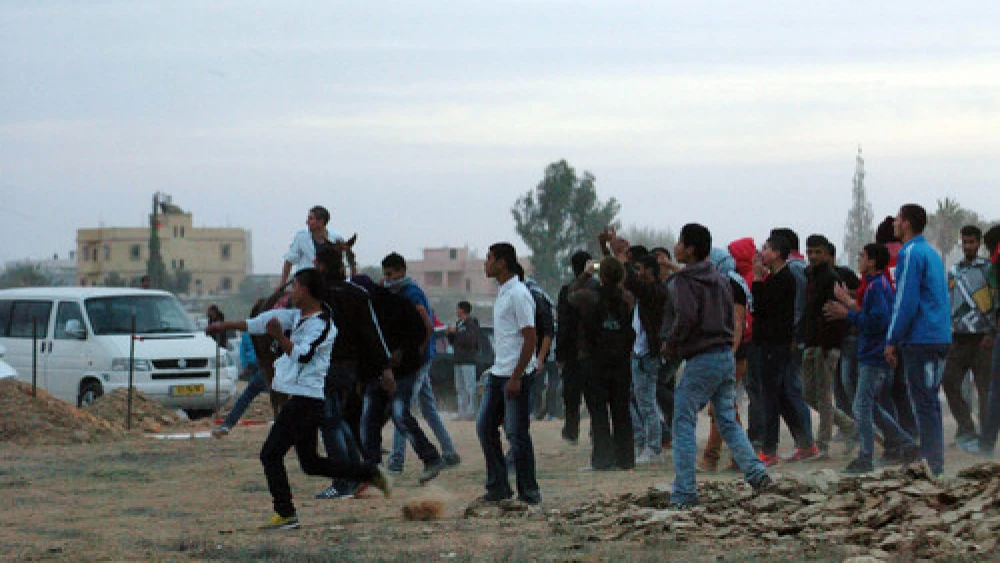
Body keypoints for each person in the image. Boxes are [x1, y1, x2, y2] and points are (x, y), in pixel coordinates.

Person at [206, 268, 390, 530]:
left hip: (307, 401)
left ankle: (286, 513)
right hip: (302, 400)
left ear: (307, 290)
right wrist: (223, 325)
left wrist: (280, 337)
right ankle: (369, 473)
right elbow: (260, 322)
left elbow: (302, 355)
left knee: (270, 455)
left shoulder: (323, 324)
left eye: (295, 286)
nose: (291, 291)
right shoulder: (297, 317)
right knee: (311, 464)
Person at [660, 223, 773, 509]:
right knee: (726, 418)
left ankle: (685, 491)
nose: (676, 246)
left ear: (690, 249)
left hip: (702, 356)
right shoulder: (722, 279)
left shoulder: (685, 282)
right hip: (725, 355)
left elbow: (685, 318)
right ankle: (756, 472)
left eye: (680, 242)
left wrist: (671, 344)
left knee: (683, 419)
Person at [825, 243, 918, 473]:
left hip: (874, 353)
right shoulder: (877, 284)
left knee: (861, 406)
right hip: (873, 351)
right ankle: (906, 443)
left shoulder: (877, 286)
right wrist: (848, 303)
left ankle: (866, 457)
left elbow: (877, 321)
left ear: (873, 261)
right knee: (869, 405)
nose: (859, 259)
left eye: (863, 256)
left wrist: (847, 314)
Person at [314, 245, 395, 500]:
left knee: (329, 421)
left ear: (321, 266)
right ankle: (363, 472)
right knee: (338, 419)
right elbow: (373, 334)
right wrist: (385, 369)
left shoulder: (319, 295)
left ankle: (343, 481)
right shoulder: (357, 294)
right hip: (350, 369)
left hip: (327, 366)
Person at [350, 274, 447, 485]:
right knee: (369, 420)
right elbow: (364, 348)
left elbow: (422, 330)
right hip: (377, 373)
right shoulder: (360, 313)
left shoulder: (397, 304)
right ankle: (374, 471)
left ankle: (431, 458)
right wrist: (361, 378)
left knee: (399, 414)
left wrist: (405, 354)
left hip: (403, 372)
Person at [885, 204, 952, 477]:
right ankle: (934, 461)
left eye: (898, 218)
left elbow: (905, 300)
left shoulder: (910, 253)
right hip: (939, 336)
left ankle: (931, 464)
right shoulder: (932, 253)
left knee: (923, 401)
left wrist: (892, 338)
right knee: (930, 400)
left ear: (908, 223)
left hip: (921, 338)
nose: (895, 223)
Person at [382, 252, 460, 473]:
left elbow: (426, 328)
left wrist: (416, 355)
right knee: (429, 409)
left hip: (417, 362)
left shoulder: (411, 294)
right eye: (385, 275)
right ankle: (449, 452)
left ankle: (396, 462)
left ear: (401, 272)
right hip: (420, 359)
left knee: (401, 410)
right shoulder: (400, 292)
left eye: (390, 274)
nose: (387, 279)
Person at [475, 242, 540, 505]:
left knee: (516, 434)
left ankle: (529, 492)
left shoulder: (518, 294)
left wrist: (516, 376)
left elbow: (530, 338)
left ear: (502, 263)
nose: (485, 263)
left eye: (489, 258)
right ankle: (498, 487)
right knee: (485, 427)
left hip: (516, 374)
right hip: (499, 372)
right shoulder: (503, 292)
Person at [752, 235, 818, 466]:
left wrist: (758, 280)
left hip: (775, 344)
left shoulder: (783, 279)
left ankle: (769, 450)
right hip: (772, 343)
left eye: (766, 248)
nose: (762, 252)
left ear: (778, 253)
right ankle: (805, 443)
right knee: (779, 395)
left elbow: (762, 309)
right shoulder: (776, 278)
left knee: (771, 397)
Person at [569, 256, 636, 471]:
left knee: (598, 412)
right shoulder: (626, 298)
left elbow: (570, 296)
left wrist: (586, 274)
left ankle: (602, 459)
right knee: (621, 411)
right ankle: (625, 458)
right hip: (621, 360)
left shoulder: (589, 296)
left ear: (601, 274)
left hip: (594, 359)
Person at [800, 234, 855, 458]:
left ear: (826, 253)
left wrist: (829, 344)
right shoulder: (810, 276)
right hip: (811, 342)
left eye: (817, 252)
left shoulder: (831, 278)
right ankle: (848, 424)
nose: (812, 256)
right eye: (809, 252)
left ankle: (822, 446)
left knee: (824, 396)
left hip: (826, 346)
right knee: (808, 395)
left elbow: (836, 315)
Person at [942, 225, 997, 448]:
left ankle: (986, 438)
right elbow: (950, 302)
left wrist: (992, 331)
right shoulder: (954, 271)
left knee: (984, 389)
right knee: (949, 382)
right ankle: (966, 428)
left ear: (979, 243)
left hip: (983, 338)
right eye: (965, 242)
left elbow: (995, 301)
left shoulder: (988, 269)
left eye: (972, 242)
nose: (968, 246)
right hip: (959, 337)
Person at [699, 246, 752, 472]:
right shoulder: (723, 283)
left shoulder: (732, 286)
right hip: (725, 353)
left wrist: (728, 354)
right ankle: (738, 458)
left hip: (732, 355)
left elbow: (738, 322)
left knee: (721, 407)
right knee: (724, 406)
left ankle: (714, 458)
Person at [556, 250, 596, 445]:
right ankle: (596, 430)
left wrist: (560, 354)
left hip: (571, 350)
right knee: (593, 394)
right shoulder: (598, 287)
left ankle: (571, 431)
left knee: (571, 396)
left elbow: (563, 324)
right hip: (593, 348)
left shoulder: (567, 290)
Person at [213, 300, 270, 438]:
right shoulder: (271, 327)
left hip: (264, 367)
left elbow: (245, 350)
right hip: (268, 367)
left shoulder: (254, 329)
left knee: (247, 395)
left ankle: (227, 424)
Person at [278, 205, 344, 290]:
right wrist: (282, 283)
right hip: (305, 283)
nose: (307, 222)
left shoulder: (336, 239)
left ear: (321, 221)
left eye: (311, 219)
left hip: (330, 282)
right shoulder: (301, 237)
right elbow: (289, 261)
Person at [448, 301, 481, 420]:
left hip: (468, 360)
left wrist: (456, 333)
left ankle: (471, 411)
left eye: (458, 309)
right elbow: (453, 342)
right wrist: (450, 334)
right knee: (460, 387)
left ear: (463, 310)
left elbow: (470, 340)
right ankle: (462, 412)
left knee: (469, 387)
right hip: (458, 359)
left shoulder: (471, 323)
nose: (457, 311)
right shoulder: (459, 323)